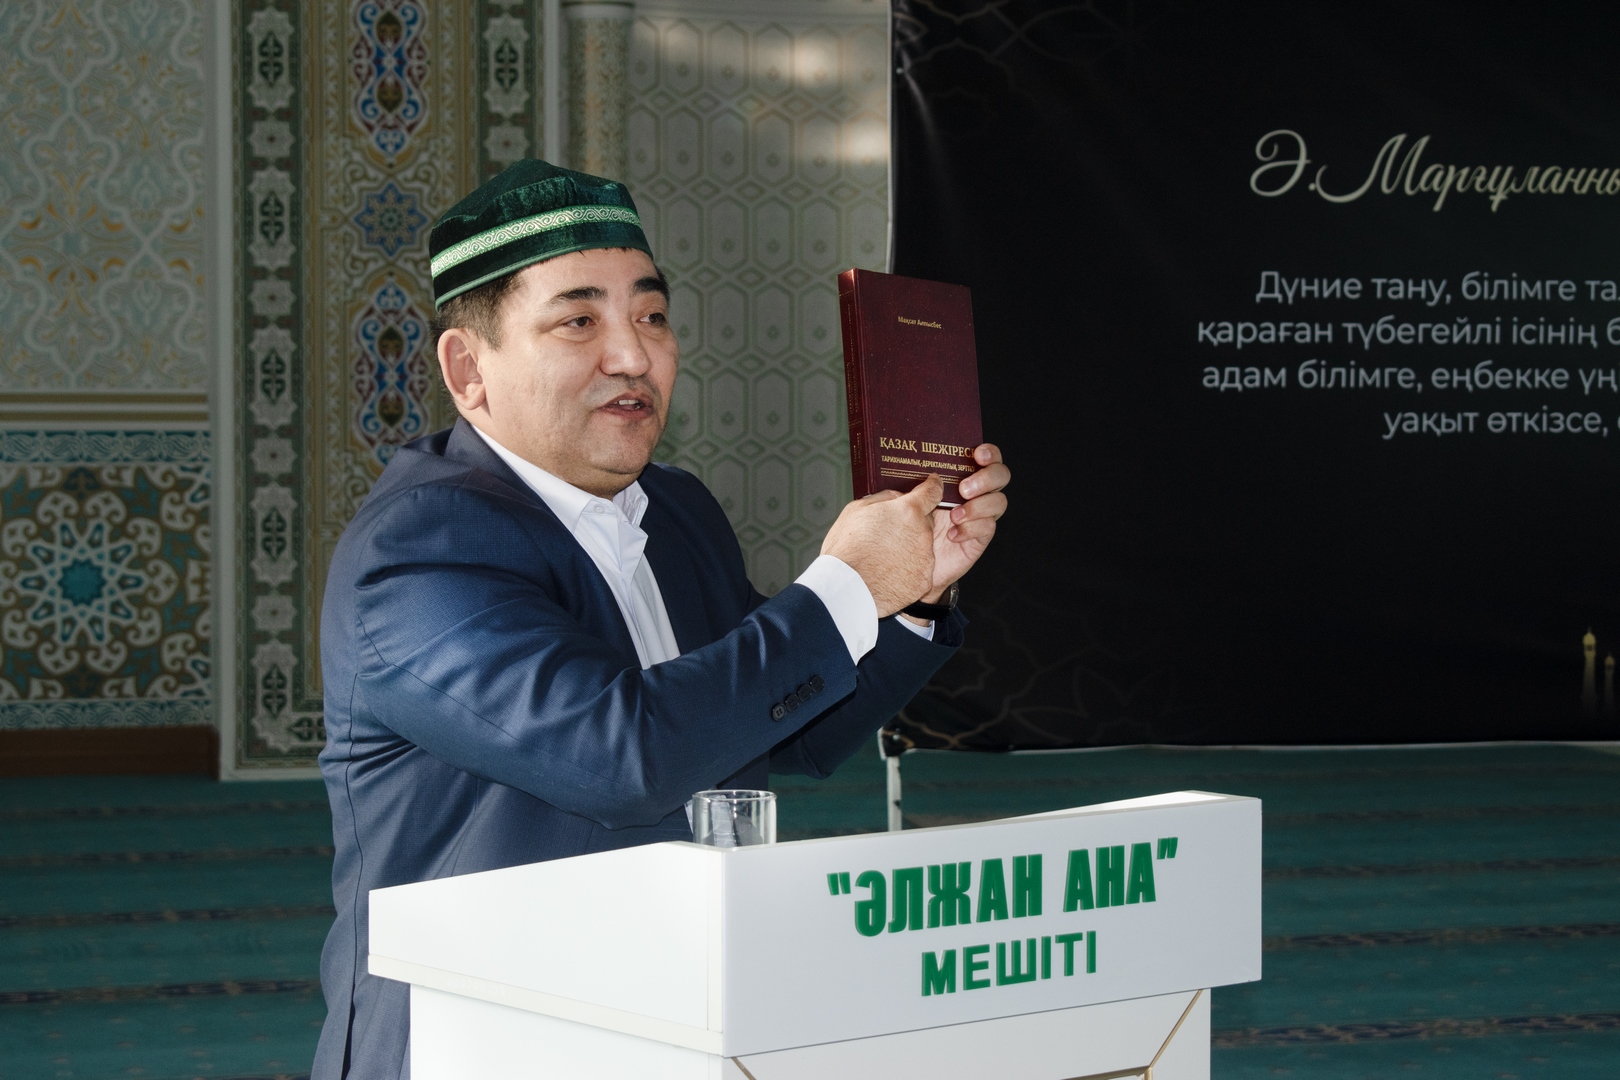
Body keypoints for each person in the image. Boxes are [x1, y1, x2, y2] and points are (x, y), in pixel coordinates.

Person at [312, 159, 1010, 1078]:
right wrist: (844, 584)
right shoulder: (417, 550)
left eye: (651, 316)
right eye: (579, 322)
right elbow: (622, 756)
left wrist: (911, 593)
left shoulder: (676, 511)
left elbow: (786, 723)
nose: (633, 356)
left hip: (672, 1019)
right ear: (468, 370)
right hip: (480, 1038)